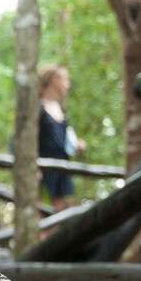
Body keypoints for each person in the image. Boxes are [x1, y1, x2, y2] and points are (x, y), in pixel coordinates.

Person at [38, 66, 85, 212]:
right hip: (43, 167)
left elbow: (63, 139)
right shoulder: (38, 107)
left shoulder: (61, 109)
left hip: (62, 165)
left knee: (57, 214)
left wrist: (77, 146)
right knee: (41, 211)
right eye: (65, 80)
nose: (67, 84)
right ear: (55, 81)